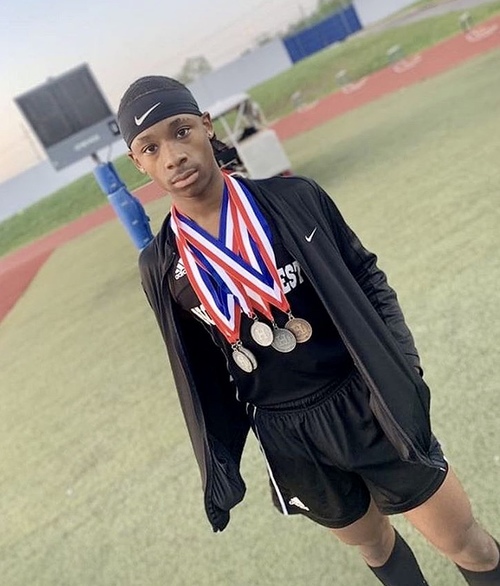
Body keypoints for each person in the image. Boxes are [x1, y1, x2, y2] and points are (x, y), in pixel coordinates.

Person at [116, 75, 499, 585]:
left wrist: (403, 368)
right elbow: (198, 365)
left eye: (181, 130)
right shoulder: (160, 265)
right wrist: (222, 456)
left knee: (466, 542)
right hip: (287, 433)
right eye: (150, 147)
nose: (172, 156)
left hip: (365, 399)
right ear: (137, 163)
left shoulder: (295, 198)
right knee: (374, 546)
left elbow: (366, 276)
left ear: (206, 127)